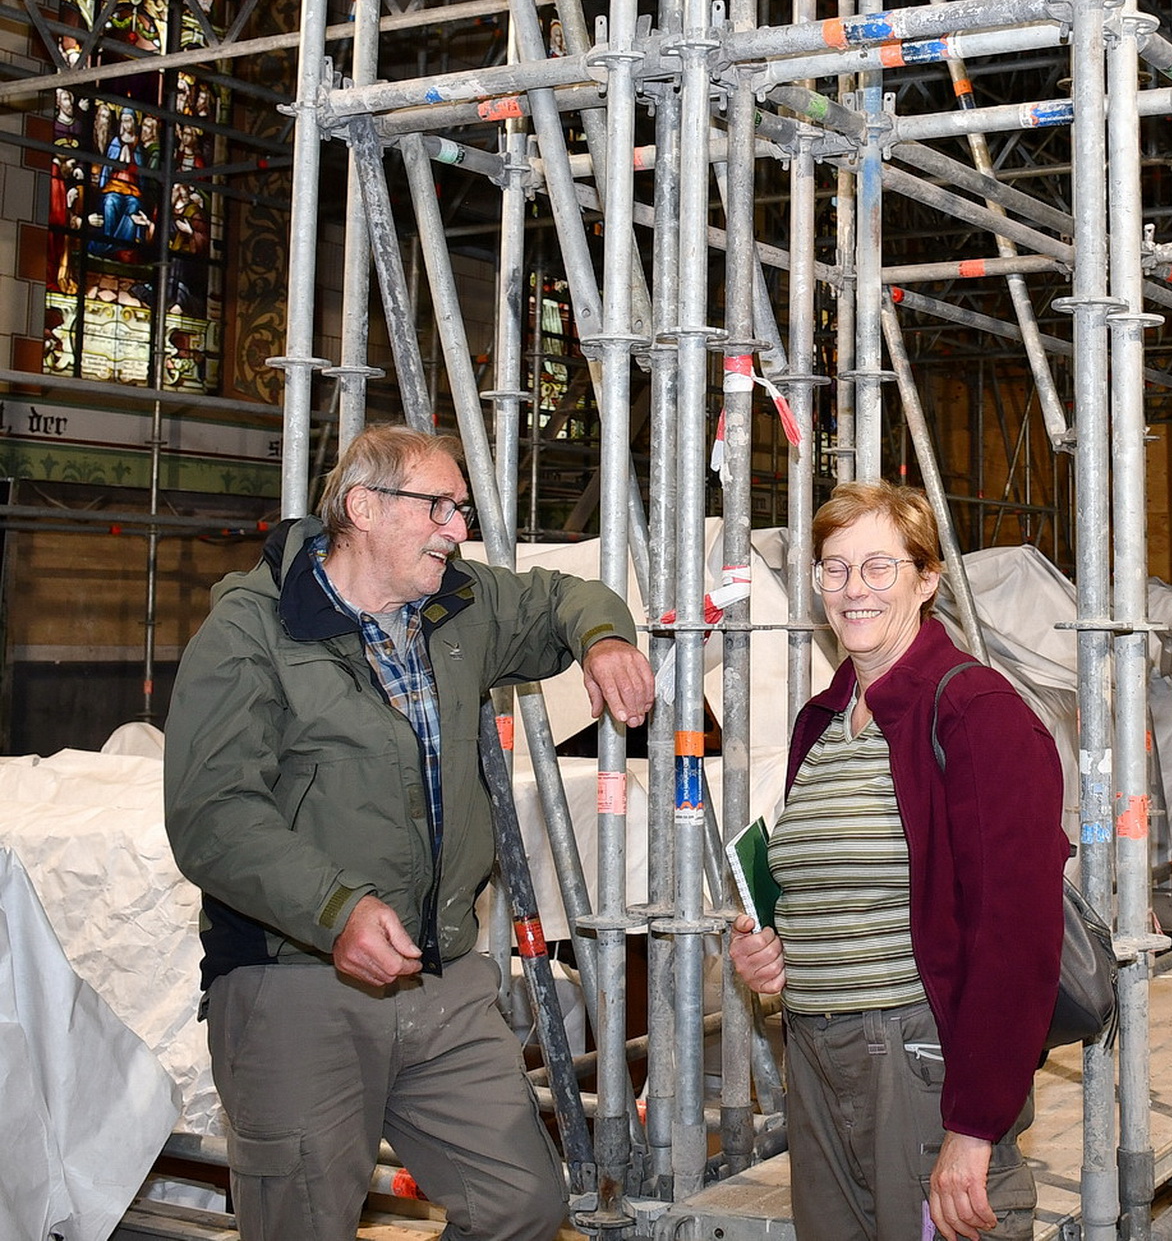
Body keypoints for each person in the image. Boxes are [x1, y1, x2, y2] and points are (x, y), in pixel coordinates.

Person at [164, 424, 654, 1241]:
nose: (457, 528)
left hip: (440, 980)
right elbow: (212, 812)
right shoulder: (251, 633)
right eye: (439, 506)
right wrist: (336, 909)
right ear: (363, 507)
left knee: (520, 1206)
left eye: (460, 509)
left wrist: (602, 638)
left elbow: (561, 597)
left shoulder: (454, 606)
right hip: (297, 984)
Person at [730, 481, 1068, 1241]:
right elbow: (820, 888)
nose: (854, 588)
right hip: (815, 1055)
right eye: (835, 567)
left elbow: (1016, 933)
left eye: (879, 566)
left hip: (918, 1057)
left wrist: (975, 1125)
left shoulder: (976, 712)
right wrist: (769, 952)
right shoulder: (821, 722)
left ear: (926, 580)